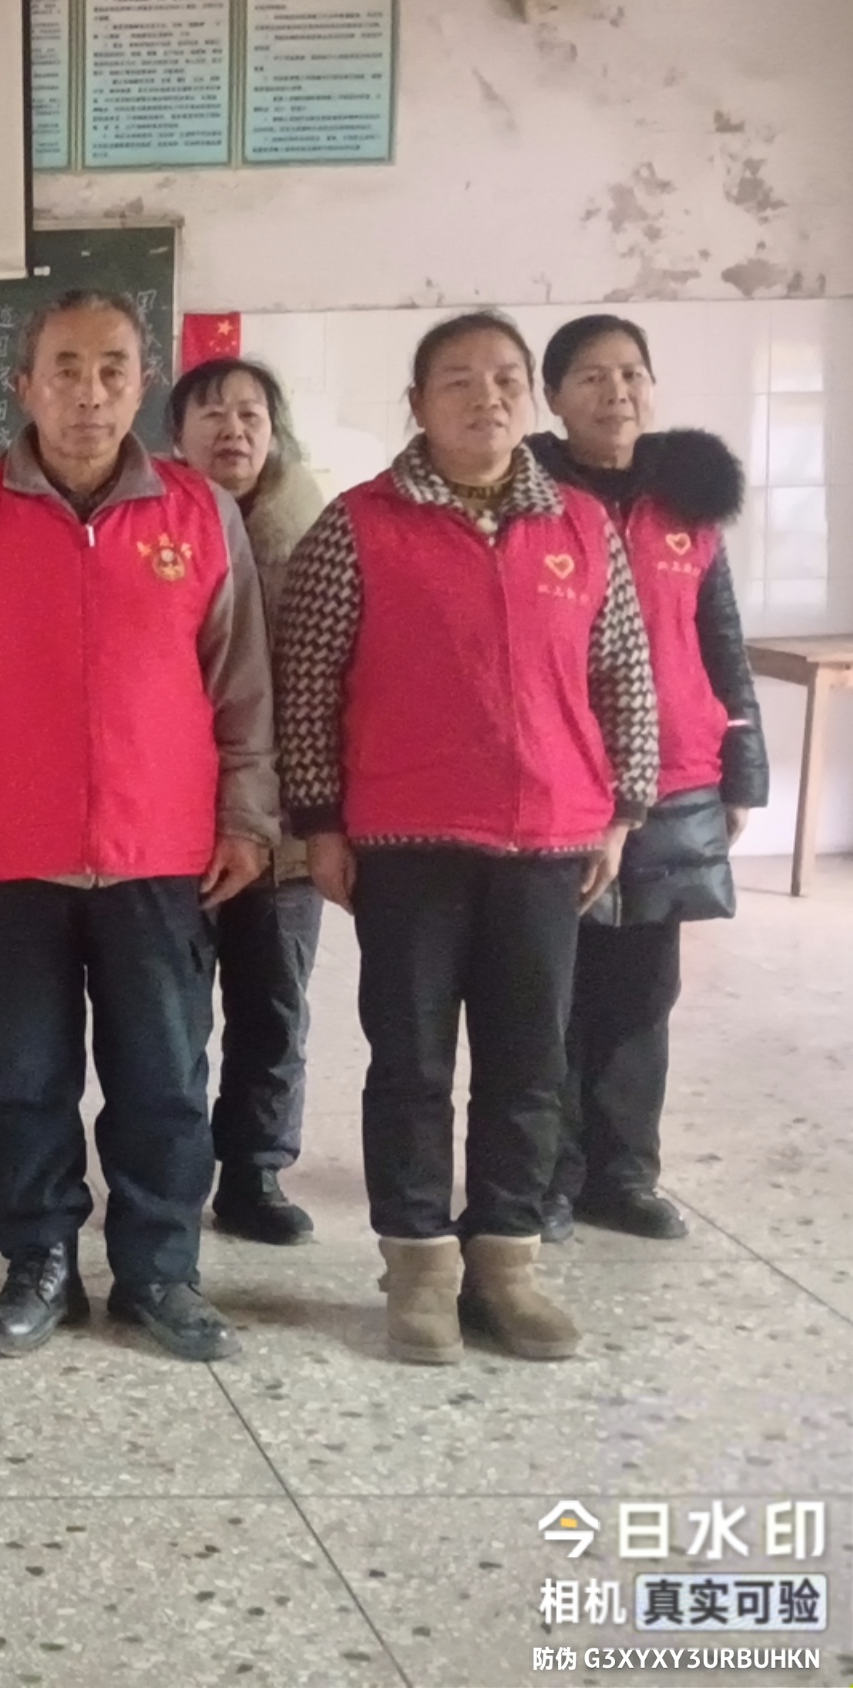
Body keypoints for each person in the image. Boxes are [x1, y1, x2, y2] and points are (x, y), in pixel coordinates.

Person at [0, 290, 279, 1364]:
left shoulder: (201, 514)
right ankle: (40, 1264)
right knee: (22, 1079)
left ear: (142, 385)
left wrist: (247, 818)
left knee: (164, 1080)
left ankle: (157, 1272)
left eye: (112, 368)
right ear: (24, 386)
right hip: (4, 856)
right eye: (65, 368)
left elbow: (241, 688)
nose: (89, 392)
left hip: (164, 854)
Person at [278, 311, 657, 1364]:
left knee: (529, 1061)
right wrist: (320, 822)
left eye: (503, 379)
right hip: (406, 840)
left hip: (548, 837)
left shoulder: (581, 525)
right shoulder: (358, 525)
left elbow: (624, 672)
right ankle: (417, 1267)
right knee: (409, 1060)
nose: (484, 397)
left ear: (529, 400)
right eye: (457, 380)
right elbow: (306, 683)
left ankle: (507, 1262)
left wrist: (621, 810)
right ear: (417, 404)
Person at [529, 315, 765, 1243]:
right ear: (554, 396)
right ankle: (547, 1175)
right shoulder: (528, 496)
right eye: (591, 376)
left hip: (674, 780)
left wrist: (742, 771)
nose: (615, 392)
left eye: (631, 373)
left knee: (641, 991)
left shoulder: (688, 503)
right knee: (552, 986)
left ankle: (624, 1173)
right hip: (561, 776)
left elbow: (722, 642)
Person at [168, 356, 331, 1246]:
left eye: (251, 415)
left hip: (290, 825)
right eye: (212, 414)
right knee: (173, 1012)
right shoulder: (156, 525)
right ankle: (175, 1167)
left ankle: (255, 1171)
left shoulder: (317, 532)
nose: (233, 430)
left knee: (272, 1006)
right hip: (174, 819)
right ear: (176, 435)